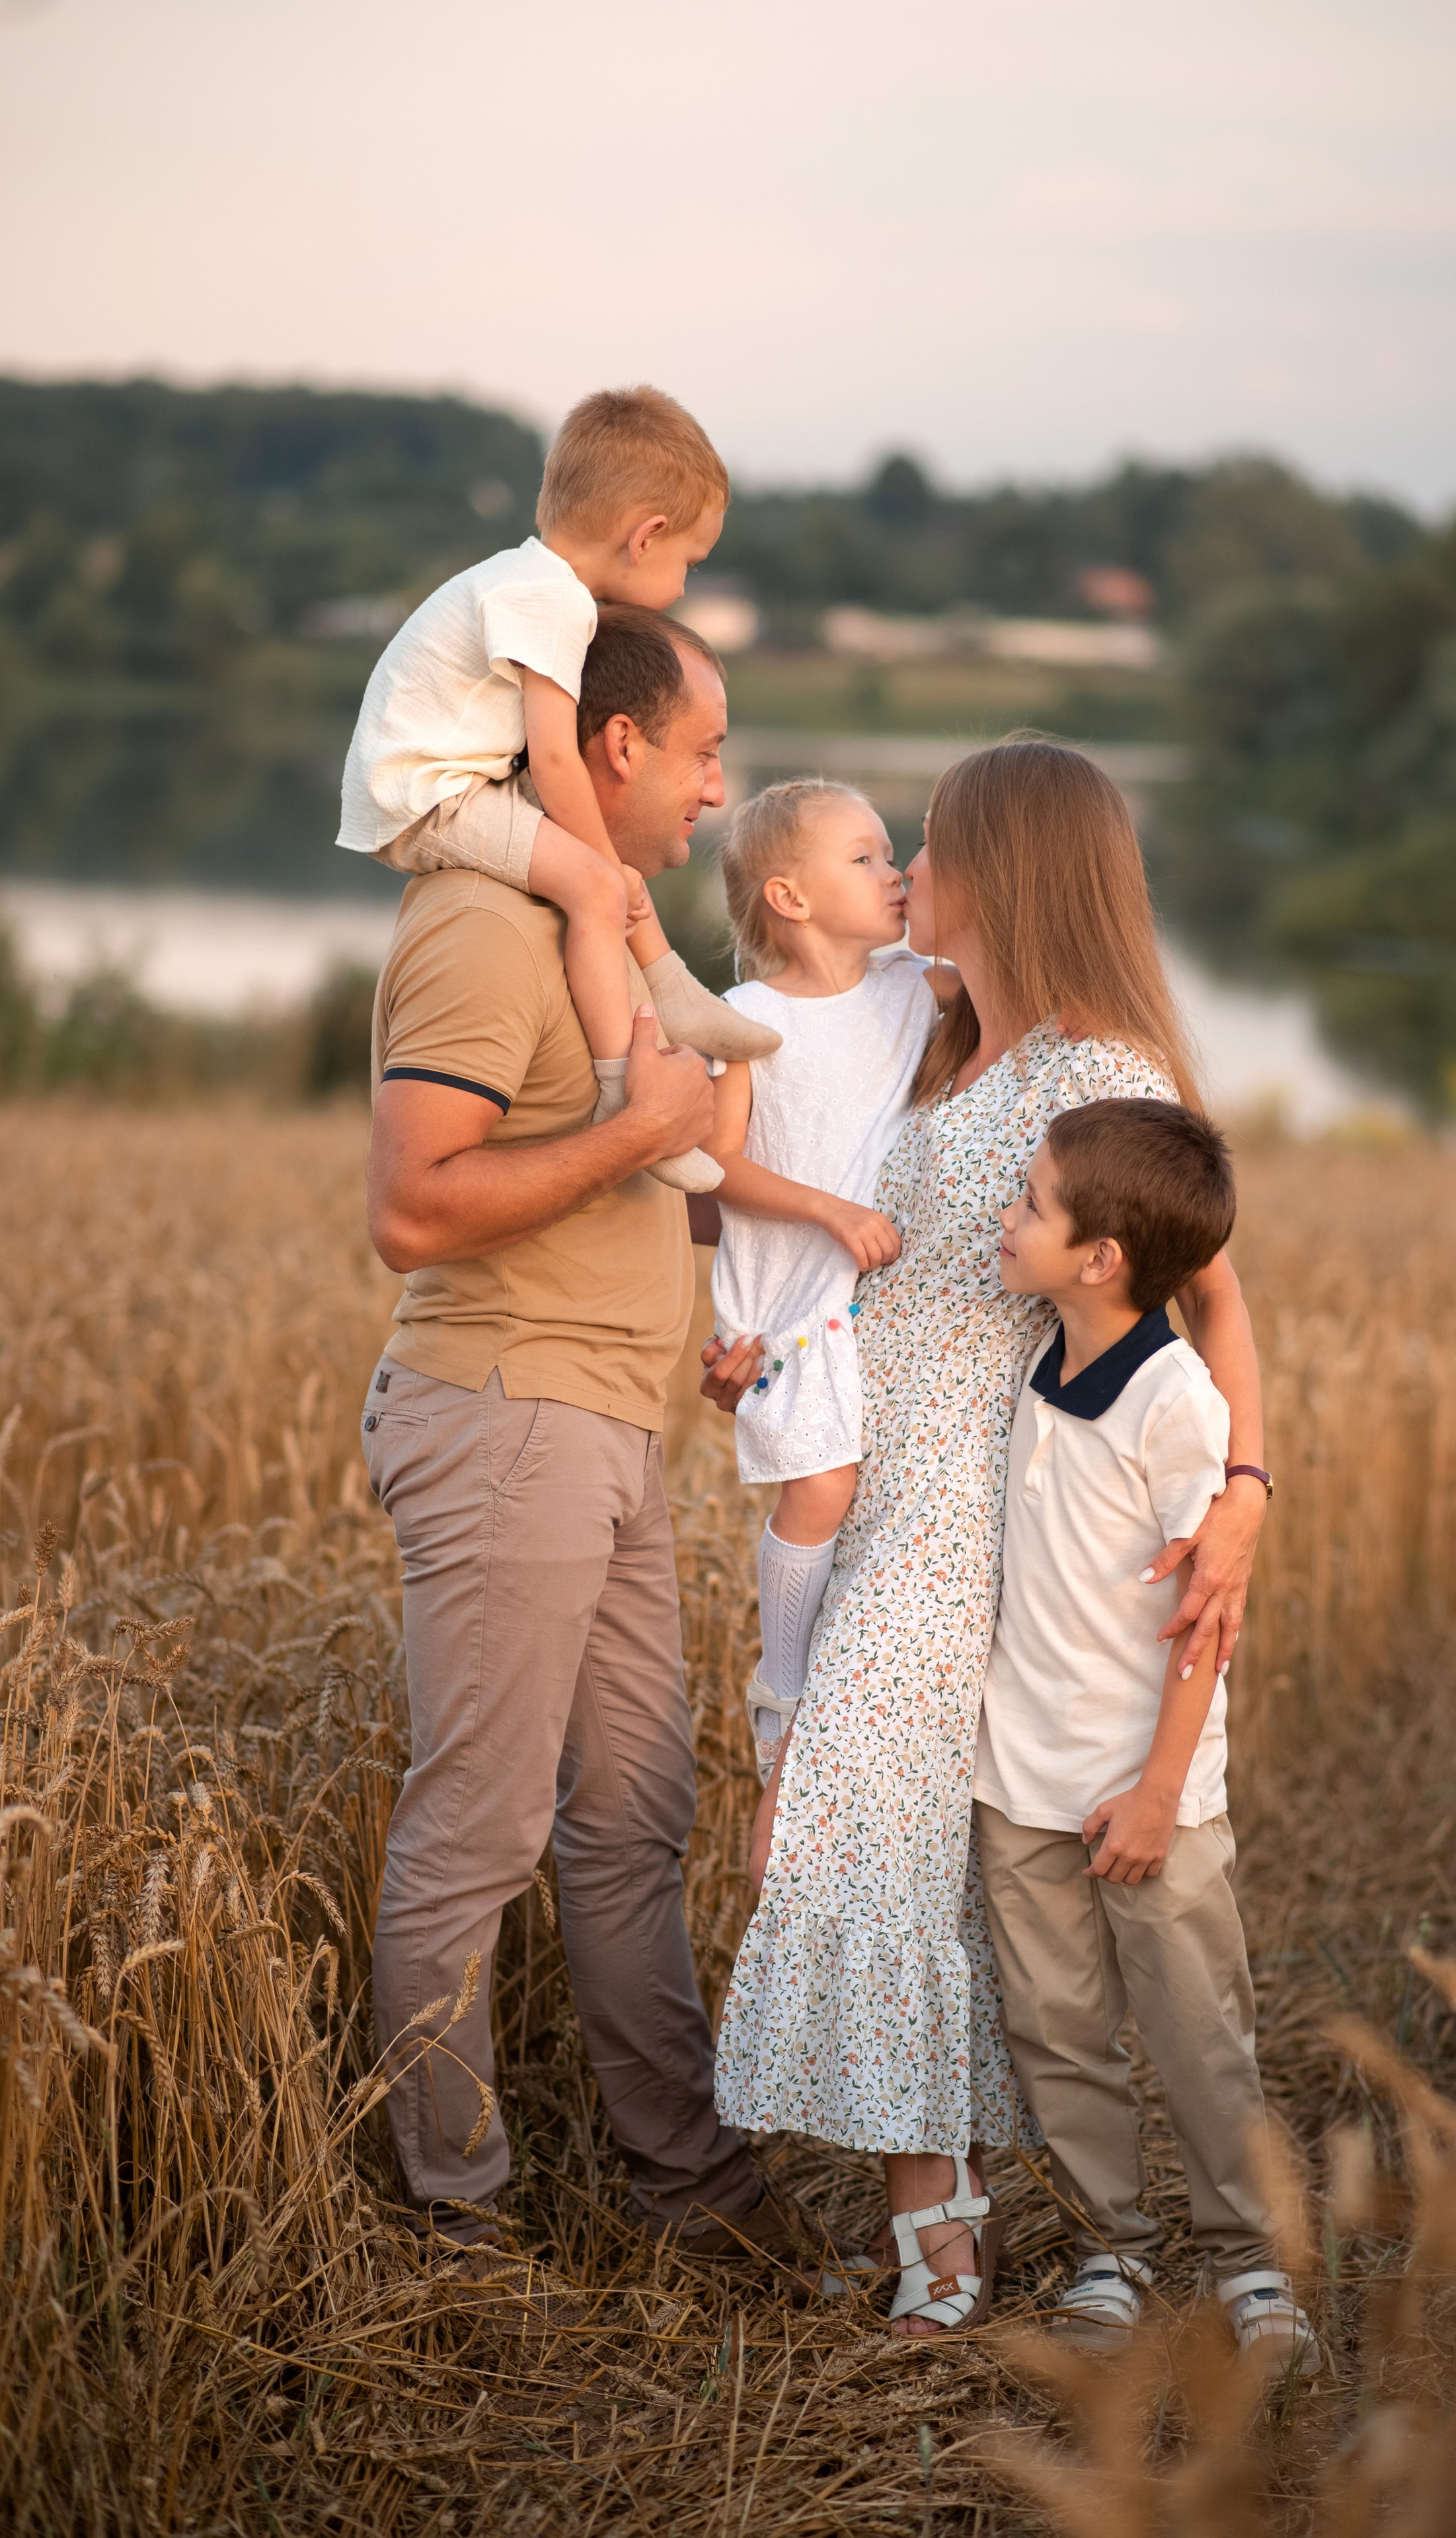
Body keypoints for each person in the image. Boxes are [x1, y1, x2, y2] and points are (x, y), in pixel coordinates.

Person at [705, 738, 1272, 2335]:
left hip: (967, 1513)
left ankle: (969, 2235)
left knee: (841, 1824)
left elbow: (1214, 1298)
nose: (908, 874)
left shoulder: (1096, 1074)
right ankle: (966, 2219)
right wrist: (768, 1358)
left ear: (1006, 871)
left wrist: (1242, 1487)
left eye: (932, 847)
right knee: (900, 1851)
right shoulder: (932, 1047)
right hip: (859, 1480)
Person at [360, 603, 785, 2266]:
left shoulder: (603, 925)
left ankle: (691, 2193)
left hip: (602, 1424)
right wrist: (634, 1137)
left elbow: (654, 1165)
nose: (716, 786)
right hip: (506, 1414)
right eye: (702, 751)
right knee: (478, 1834)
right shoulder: (483, 927)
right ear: (614, 744)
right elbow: (412, 1209)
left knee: (630, 1818)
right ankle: (454, 2230)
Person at [976, 1098, 1318, 2373]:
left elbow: (1201, 1623)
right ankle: (1108, 2247)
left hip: (1150, 1788)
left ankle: (1250, 2261)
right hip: (1020, 1783)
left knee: (1199, 2035)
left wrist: (1160, 1791)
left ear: (1101, 1258)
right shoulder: (1035, 1352)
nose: (1007, 1217)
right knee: (1058, 2034)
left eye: (1030, 1205)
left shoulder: (1175, 1401)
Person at [338, 384, 779, 1194]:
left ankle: (672, 990)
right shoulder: (552, 603)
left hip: (444, 781)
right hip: (427, 796)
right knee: (595, 881)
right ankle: (626, 1092)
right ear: (645, 537)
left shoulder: (530, 580)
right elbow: (553, 756)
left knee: (605, 867)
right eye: (689, 564)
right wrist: (602, 868)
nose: (685, 587)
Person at [702, 780, 940, 1802]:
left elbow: (1022, 969)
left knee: (877, 1497)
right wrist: (829, 1211)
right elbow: (718, 1166)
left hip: (877, 1298)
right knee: (823, 1487)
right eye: (866, 858)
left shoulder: (915, 986)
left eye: (893, 855)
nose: (894, 875)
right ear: (790, 898)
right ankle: (784, 1689)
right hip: (789, 1295)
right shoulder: (749, 1021)